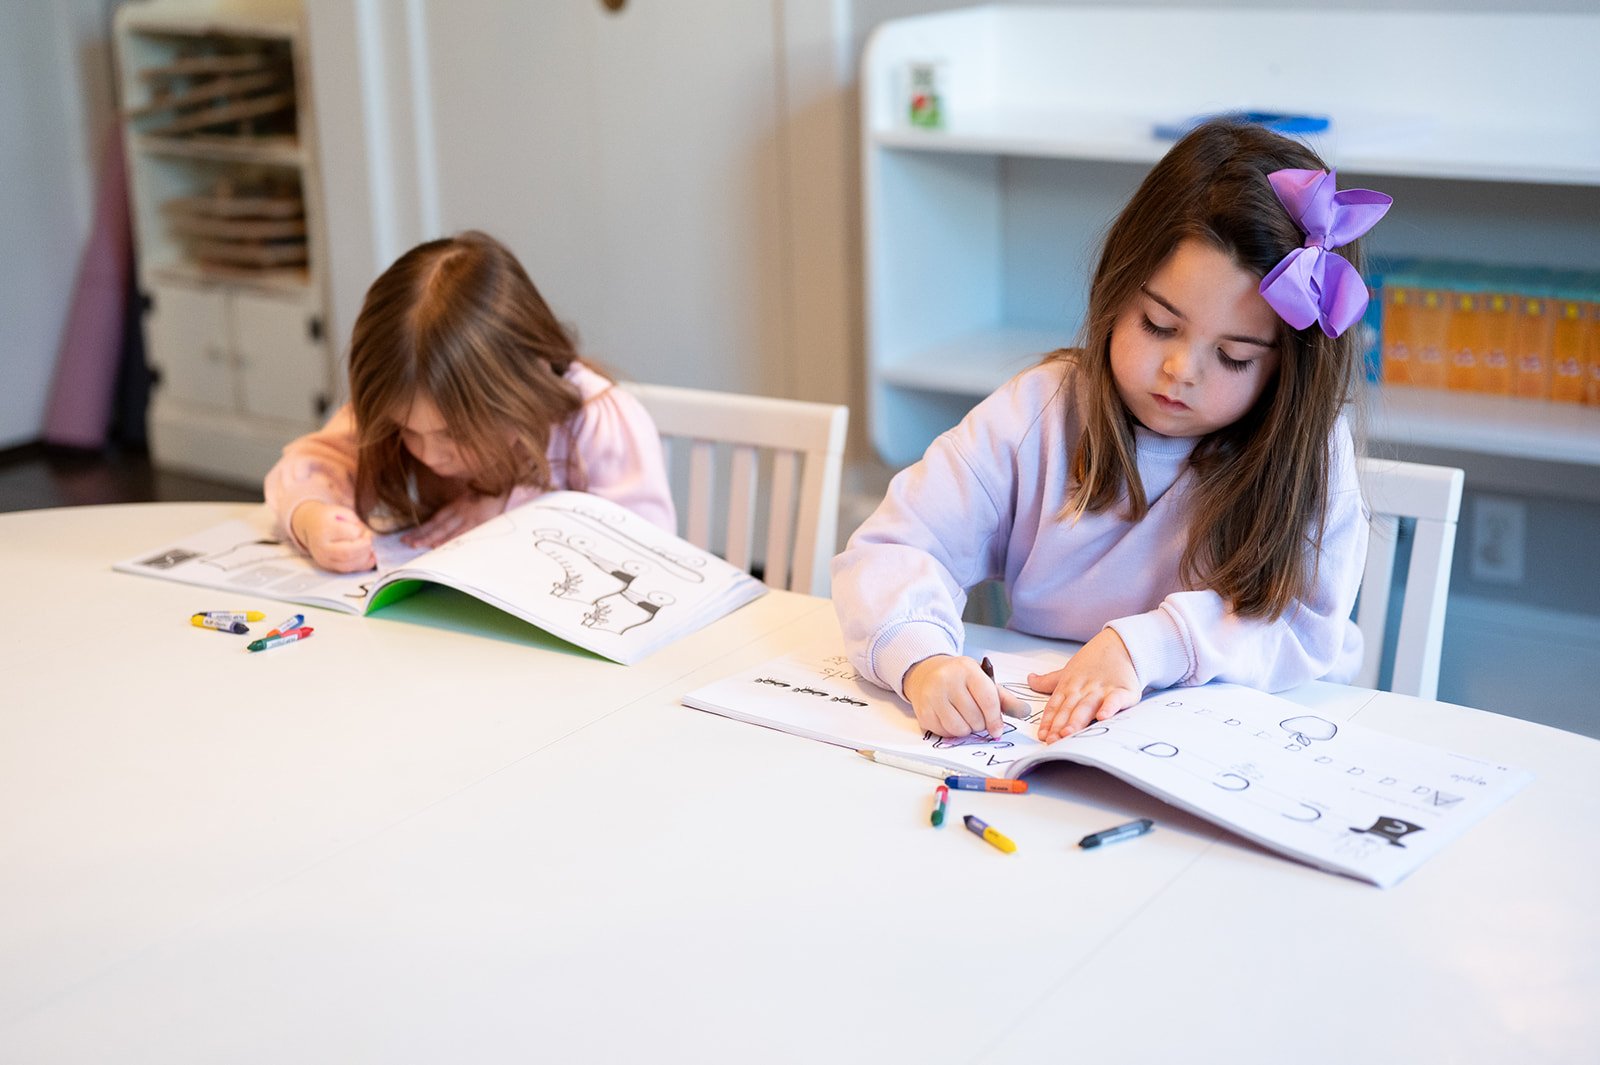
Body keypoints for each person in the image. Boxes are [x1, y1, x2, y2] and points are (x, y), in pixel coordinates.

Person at [831, 119, 1391, 744]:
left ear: (1287, 370)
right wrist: (922, 660)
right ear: (1117, 290)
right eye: (1157, 324)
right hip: (1058, 741)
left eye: (1235, 356)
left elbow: (1301, 628)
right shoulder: (1041, 412)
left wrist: (1143, 647)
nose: (1181, 371)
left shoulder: (1309, 454)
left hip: (1254, 743)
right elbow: (897, 548)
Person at [265, 230, 675, 572]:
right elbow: (304, 468)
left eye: (455, 432)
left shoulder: (596, 423)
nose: (430, 454)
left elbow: (645, 555)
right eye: (406, 430)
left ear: (518, 388)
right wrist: (313, 518)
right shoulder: (409, 398)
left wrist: (511, 516)